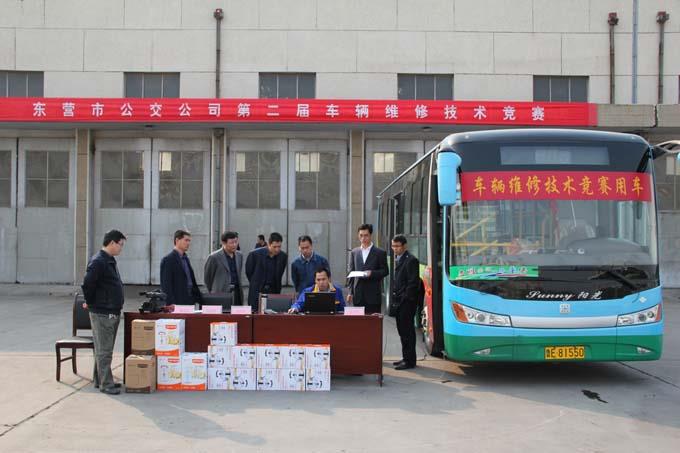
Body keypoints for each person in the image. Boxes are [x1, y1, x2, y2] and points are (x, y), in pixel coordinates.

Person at [80, 229, 126, 395]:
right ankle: (106, 384)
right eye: (120, 244)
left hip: (111, 310)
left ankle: (99, 379)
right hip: (102, 312)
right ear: (112, 242)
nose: (121, 248)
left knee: (104, 349)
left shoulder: (109, 260)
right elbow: (87, 284)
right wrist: (91, 302)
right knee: (104, 351)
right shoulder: (99, 261)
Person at [390, 235, 421, 370]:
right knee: (402, 331)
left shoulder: (411, 260)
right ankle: (405, 357)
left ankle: (410, 361)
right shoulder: (399, 259)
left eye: (397, 246)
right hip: (399, 301)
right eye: (393, 246)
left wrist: (405, 298)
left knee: (407, 332)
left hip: (407, 303)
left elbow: (413, 283)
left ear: (404, 246)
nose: (395, 249)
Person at [347, 223, 389, 314]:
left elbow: (385, 271)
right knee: (358, 321)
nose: (363, 238)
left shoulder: (380, 253)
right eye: (361, 235)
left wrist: (372, 273)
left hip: (373, 296)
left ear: (370, 235)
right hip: (358, 295)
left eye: (366, 235)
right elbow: (351, 273)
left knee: (373, 321)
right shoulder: (354, 252)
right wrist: (350, 292)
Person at [245, 232, 288, 312]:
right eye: (274, 247)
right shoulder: (254, 255)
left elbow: (280, 273)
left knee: (273, 314)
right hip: (257, 291)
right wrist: (255, 283)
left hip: (274, 291)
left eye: (279, 246)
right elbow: (249, 272)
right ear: (269, 244)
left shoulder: (283, 256)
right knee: (255, 314)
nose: (277, 249)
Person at [160, 230, 202, 308]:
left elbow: (191, 282)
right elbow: (166, 285)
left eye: (189, 241)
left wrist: (198, 300)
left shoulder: (186, 259)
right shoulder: (168, 259)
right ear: (177, 240)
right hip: (177, 303)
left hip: (190, 301)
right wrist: (170, 303)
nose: (188, 243)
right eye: (186, 240)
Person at [204, 231, 244, 306]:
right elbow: (208, 278)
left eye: (236, 242)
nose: (234, 245)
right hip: (220, 293)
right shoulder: (214, 257)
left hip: (237, 292)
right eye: (231, 243)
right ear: (223, 243)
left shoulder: (239, 255)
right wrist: (214, 291)